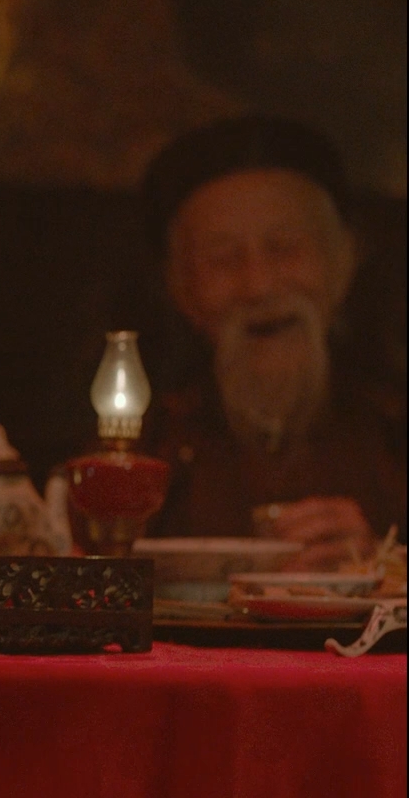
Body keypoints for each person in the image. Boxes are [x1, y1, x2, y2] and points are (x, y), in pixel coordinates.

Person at [141, 114, 406, 570]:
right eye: (223, 259)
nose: (258, 285)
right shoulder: (147, 449)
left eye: (285, 247)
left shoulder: (395, 432)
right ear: (180, 286)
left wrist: (386, 564)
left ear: (344, 259)